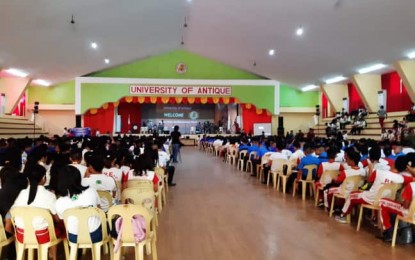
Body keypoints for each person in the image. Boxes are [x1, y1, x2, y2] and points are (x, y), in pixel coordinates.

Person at [55, 165, 102, 244]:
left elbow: (61, 219)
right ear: (79, 177)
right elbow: (99, 210)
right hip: (95, 235)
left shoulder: (59, 202)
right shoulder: (91, 191)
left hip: (74, 237)